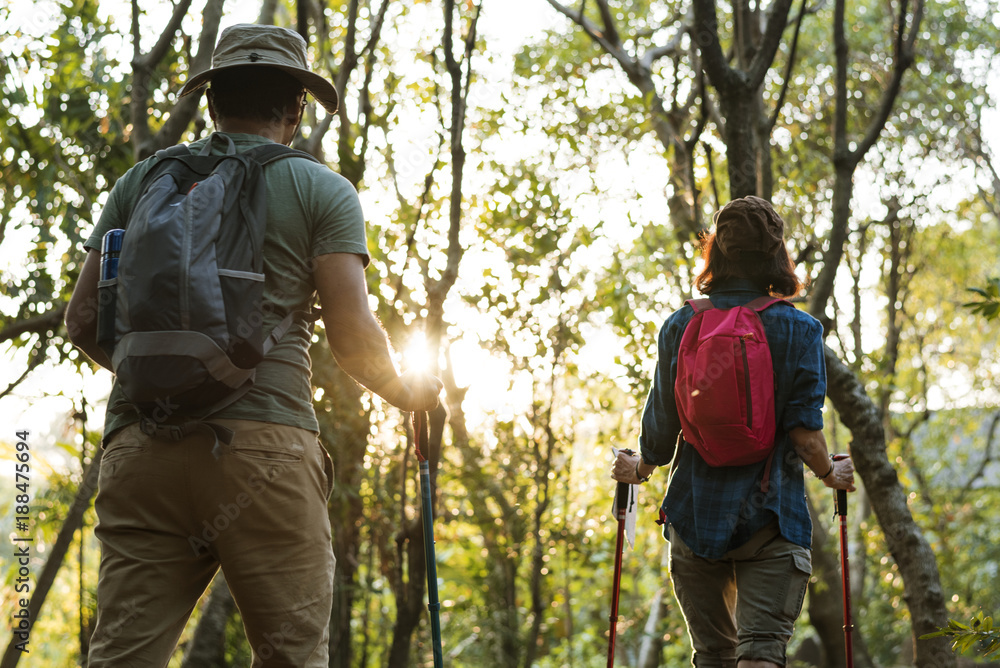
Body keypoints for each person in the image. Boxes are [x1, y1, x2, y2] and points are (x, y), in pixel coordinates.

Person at [65, 23, 442, 667]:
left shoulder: (142, 182)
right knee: (292, 656)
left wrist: (163, 383)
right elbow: (353, 341)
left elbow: (81, 320)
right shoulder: (321, 190)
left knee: (122, 657)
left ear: (212, 101)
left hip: (142, 450)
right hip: (264, 452)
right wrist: (414, 394)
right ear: (298, 107)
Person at [612, 196, 856, 668]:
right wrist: (831, 472)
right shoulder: (801, 330)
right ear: (775, 255)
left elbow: (660, 433)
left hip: (694, 516)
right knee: (761, 655)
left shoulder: (681, 324)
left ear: (715, 253)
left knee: (712, 657)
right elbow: (806, 437)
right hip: (772, 517)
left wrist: (636, 468)